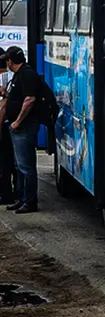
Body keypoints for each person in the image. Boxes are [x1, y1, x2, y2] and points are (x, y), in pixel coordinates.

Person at [3, 46, 44, 214]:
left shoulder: (27, 74)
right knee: (19, 165)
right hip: (17, 126)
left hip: (24, 127)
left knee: (26, 167)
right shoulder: (19, 75)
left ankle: (29, 201)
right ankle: (21, 199)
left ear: (10, 61)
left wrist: (17, 121)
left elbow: (29, 100)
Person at [0, 51, 17, 205]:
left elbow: (4, 105)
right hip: (9, 124)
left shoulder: (8, 77)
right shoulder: (10, 76)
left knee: (5, 161)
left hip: (6, 125)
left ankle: (7, 193)